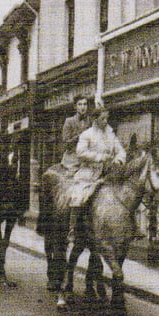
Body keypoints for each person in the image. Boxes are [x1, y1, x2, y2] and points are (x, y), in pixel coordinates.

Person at [64, 104, 126, 253]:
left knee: (123, 196)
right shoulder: (87, 134)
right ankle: (73, 228)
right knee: (79, 196)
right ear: (96, 119)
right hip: (89, 172)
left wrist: (118, 159)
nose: (105, 121)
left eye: (107, 118)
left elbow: (120, 150)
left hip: (107, 173)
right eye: (102, 118)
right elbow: (81, 152)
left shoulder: (111, 134)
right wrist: (100, 157)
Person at [60, 95, 92, 171]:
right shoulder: (69, 121)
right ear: (75, 106)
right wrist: (79, 137)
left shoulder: (91, 121)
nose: (83, 107)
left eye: (85, 104)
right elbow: (65, 142)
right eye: (80, 104)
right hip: (72, 158)